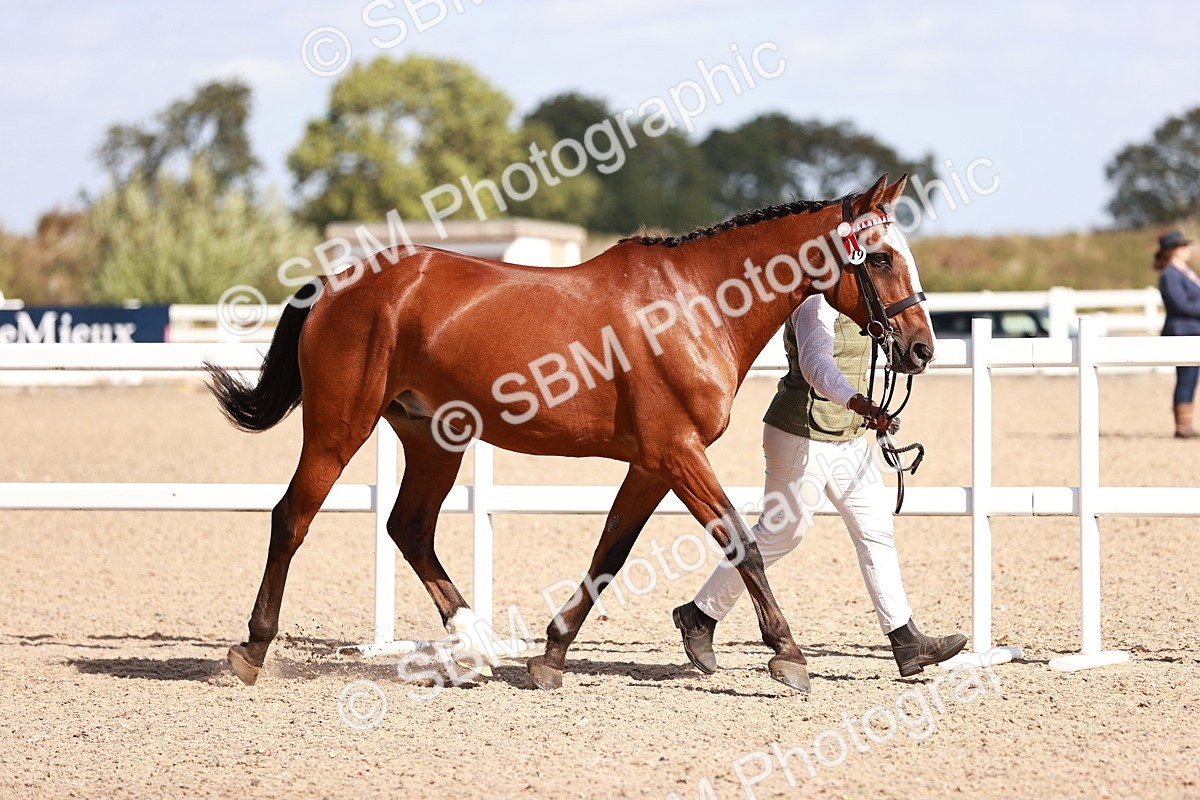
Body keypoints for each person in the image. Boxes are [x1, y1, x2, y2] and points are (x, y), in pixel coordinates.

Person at [672, 294, 966, 678]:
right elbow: (815, 364)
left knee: (875, 530)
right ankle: (699, 615)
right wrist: (857, 401)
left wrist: (908, 353)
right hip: (800, 434)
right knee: (781, 533)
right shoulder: (814, 301)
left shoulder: (862, 297)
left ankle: (906, 640)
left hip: (847, 437)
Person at [1155, 229, 1200, 439]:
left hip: (1192, 330)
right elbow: (1179, 304)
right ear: (1173, 250)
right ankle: (1182, 425)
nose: (1187, 249)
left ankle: (1186, 423)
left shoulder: (1185, 271)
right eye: (1183, 246)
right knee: (1186, 378)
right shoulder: (1170, 274)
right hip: (1182, 332)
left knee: (1191, 378)